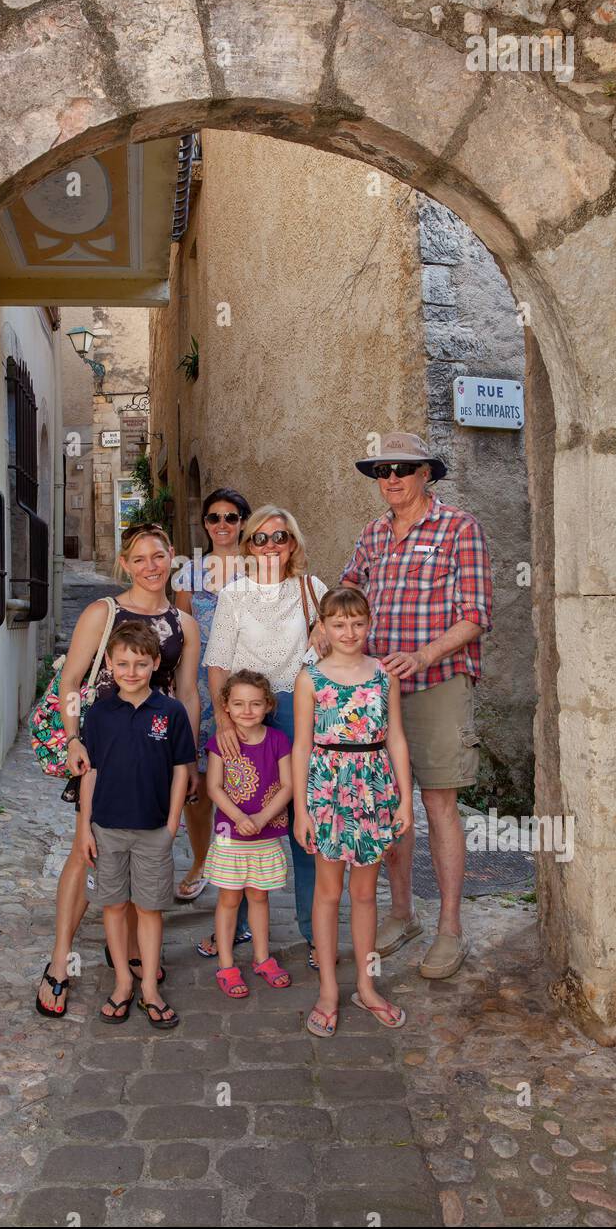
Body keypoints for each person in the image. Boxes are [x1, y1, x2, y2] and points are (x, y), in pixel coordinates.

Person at [341, 431, 492, 980]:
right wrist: (325, 629)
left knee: (439, 804)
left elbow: (475, 614)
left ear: (427, 473)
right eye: (382, 471)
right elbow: (347, 593)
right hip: (379, 689)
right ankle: (402, 914)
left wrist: (423, 655)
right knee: (389, 806)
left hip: (439, 682)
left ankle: (450, 927)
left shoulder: (459, 528)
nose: (392, 479)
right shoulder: (374, 534)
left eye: (403, 469)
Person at [35, 523, 200, 1017]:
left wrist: (187, 761)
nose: (151, 566)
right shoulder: (102, 613)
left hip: (153, 748)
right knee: (86, 853)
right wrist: (72, 739)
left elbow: (188, 693)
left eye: (159, 555)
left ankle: (127, 951)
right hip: (101, 748)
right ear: (125, 564)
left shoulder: (183, 624)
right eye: (140, 558)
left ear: (171, 557)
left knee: (141, 843)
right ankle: (59, 962)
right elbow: (70, 680)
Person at [204, 505, 328, 967]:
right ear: (248, 544)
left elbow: (333, 643)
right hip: (246, 716)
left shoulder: (311, 589)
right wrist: (223, 719)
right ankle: (232, 928)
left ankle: (314, 933)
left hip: (297, 712)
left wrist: (325, 639)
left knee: (302, 821)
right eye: (260, 538)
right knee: (240, 818)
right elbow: (217, 663)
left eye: (280, 537)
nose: (270, 546)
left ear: (292, 544)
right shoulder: (233, 595)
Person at [293, 587, 413, 1037]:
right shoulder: (310, 678)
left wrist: (404, 798)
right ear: (323, 626)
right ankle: (327, 988)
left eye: (357, 623)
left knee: (364, 895)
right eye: (339, 624)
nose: (349, 632)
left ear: (369, 624)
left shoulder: (384, 675)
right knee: (328, 893)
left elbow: (396, 737)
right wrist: (302, 810)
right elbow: (302, 745)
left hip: (374, 788)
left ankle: (366, 983)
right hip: (327, 789)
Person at [77, 621, 196, 1029]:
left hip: (152, 830)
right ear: (109, 662)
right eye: (123, 663)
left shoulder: (171, 712)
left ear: (156, 663)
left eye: (140, 664)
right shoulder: (99, 714)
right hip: (107, 827)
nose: (131, 671)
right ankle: (123, 982)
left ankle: (149, 987)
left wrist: (172, 821)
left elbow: (182, 769)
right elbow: (89, 772)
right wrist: (84, 828)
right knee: (113, 904)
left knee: (149, 907)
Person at [172, 489, 251, 928]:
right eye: (214, 517)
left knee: (242, 781)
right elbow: (181, 632)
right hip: (198, 688)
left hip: (245, 692)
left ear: (243, 521)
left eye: (231, 517)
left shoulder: (259, 571)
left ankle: (238, 878)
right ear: (204, 523)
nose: (222, 524)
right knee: (197, 783)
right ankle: (202, 862)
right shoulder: (189, 574)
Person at [204, 670, 293, 998]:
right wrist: (241, 816)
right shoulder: (220, 742)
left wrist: (261, 817)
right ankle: (226, 964)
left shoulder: (278, 741)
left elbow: (288, 785)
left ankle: (262, 958)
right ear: (226, 706)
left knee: (259, 895)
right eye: (239, 703)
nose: (247, 710)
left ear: (268, 705)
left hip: (265, 832)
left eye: (256, 704)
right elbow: (213, 787)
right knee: (228, 897)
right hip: (230, 832)